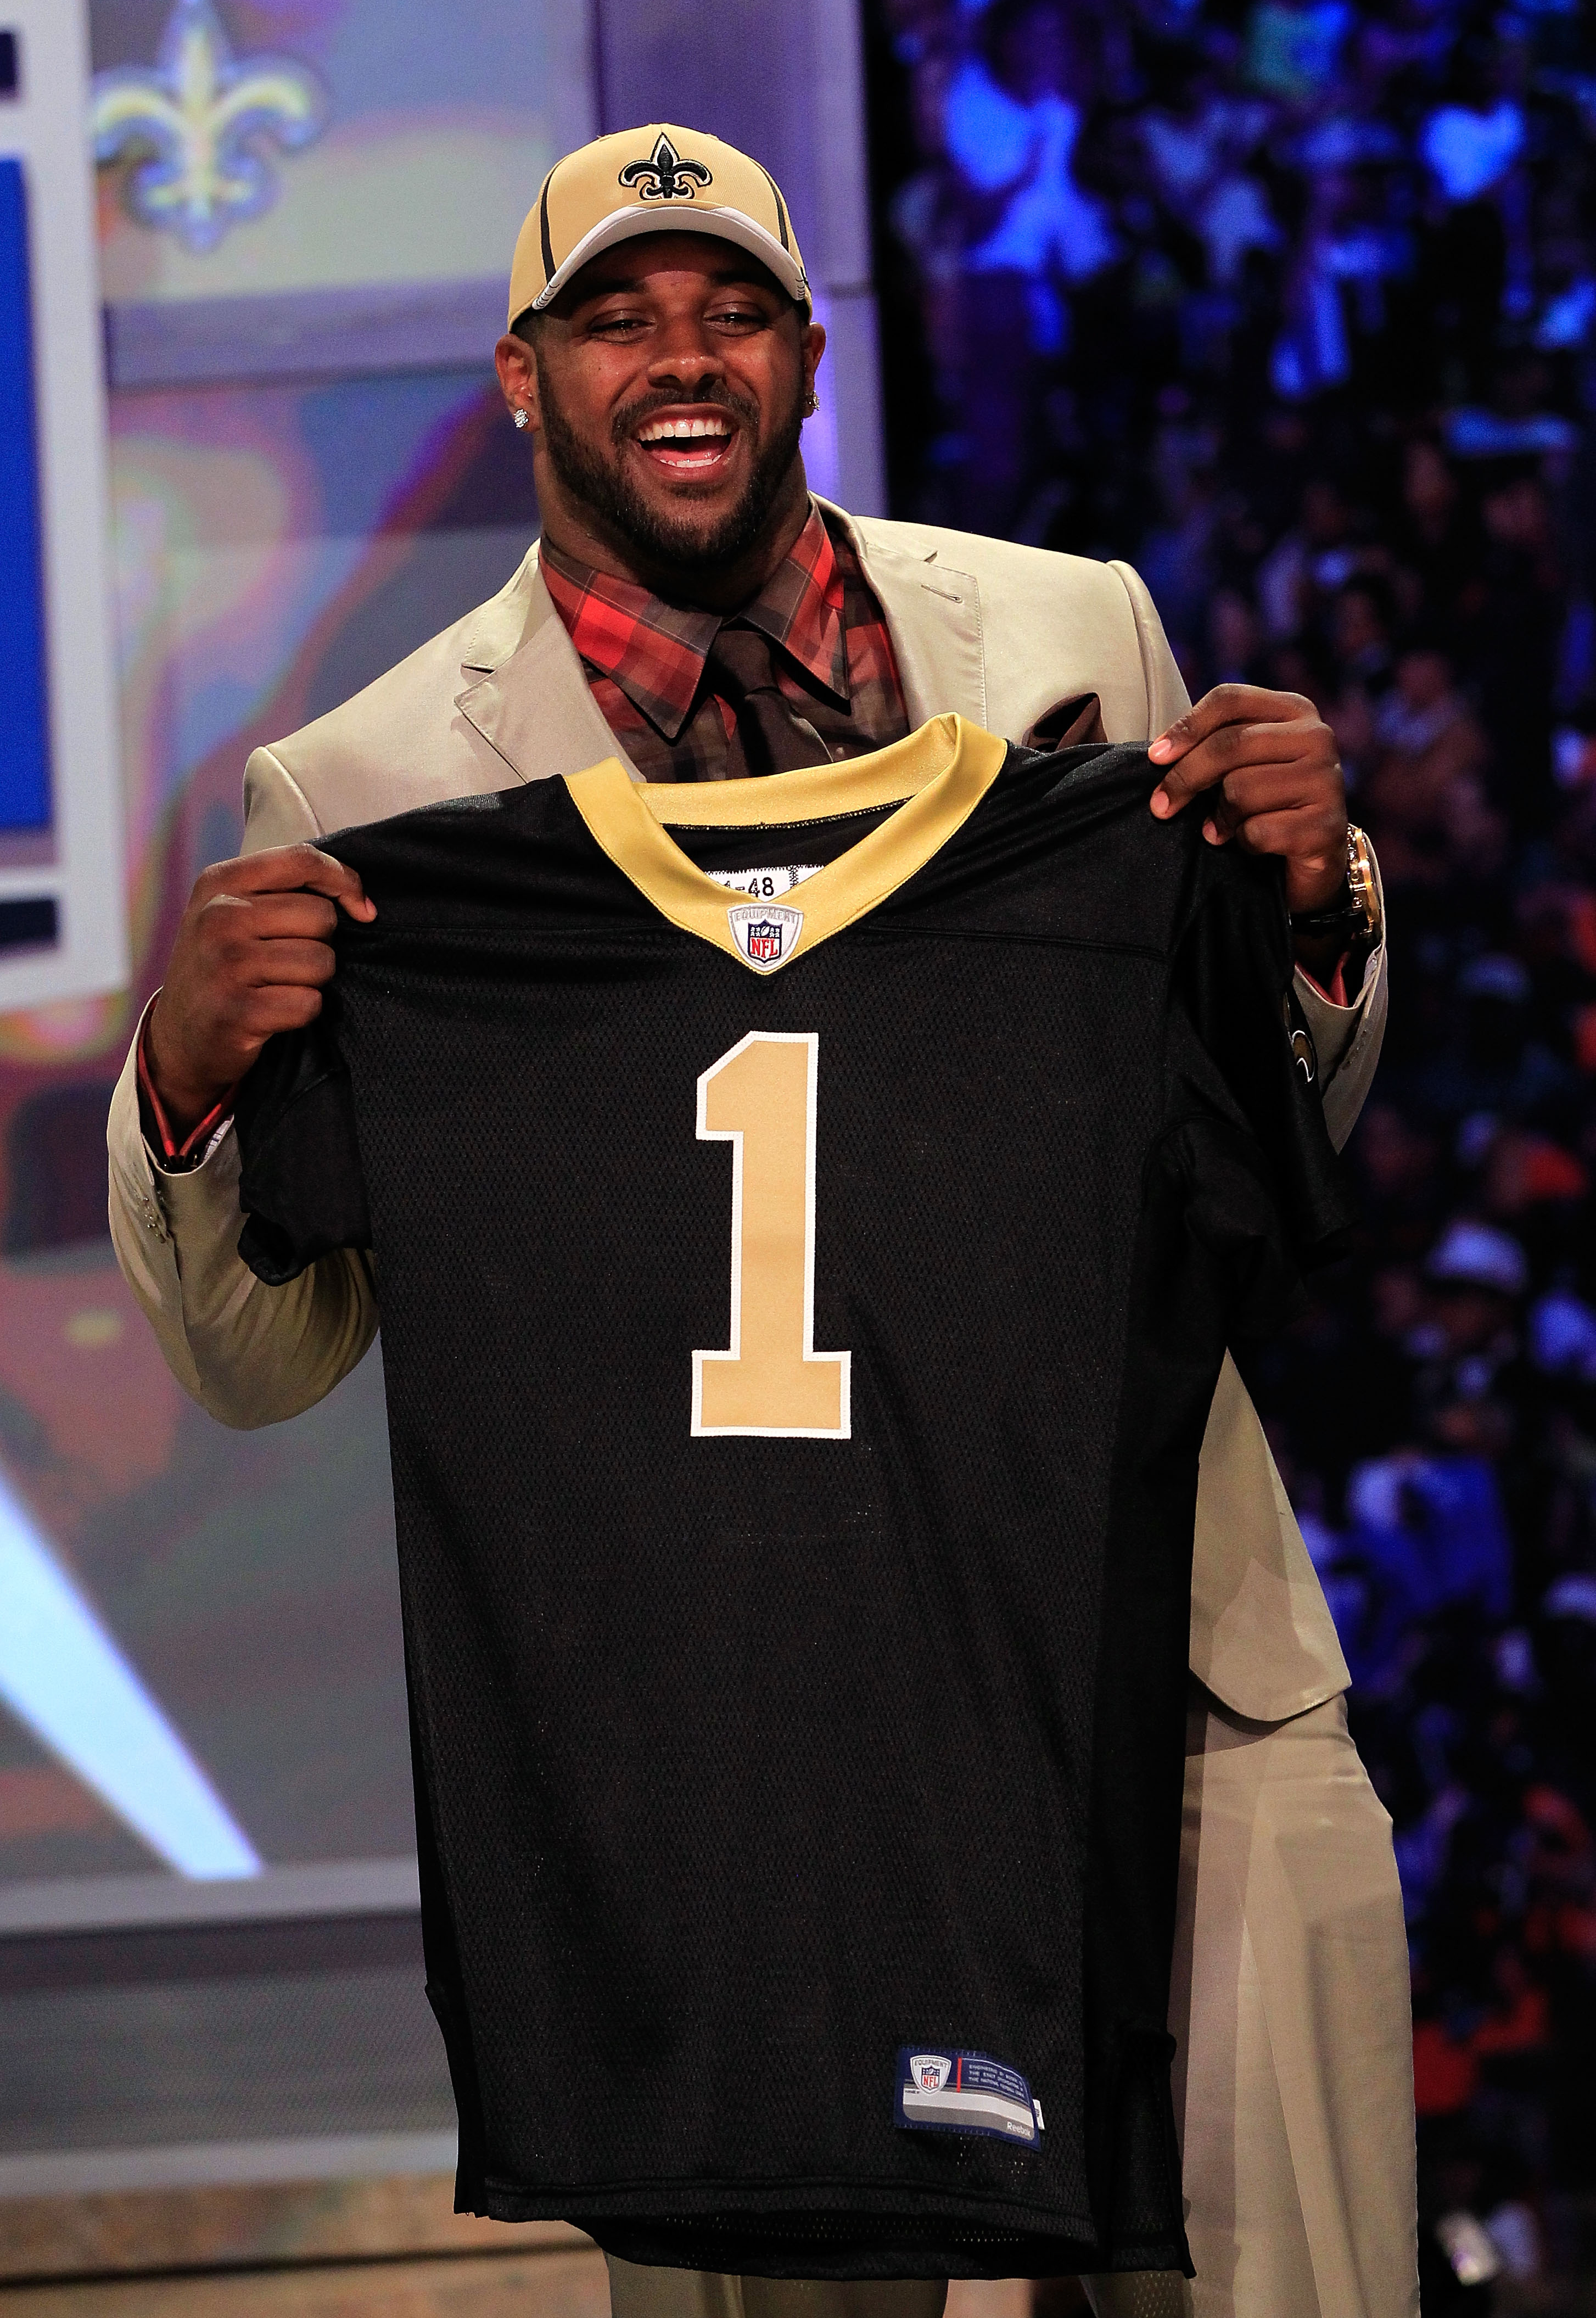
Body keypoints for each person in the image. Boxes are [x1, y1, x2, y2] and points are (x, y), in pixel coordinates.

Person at [108, 125, 1415, 2318]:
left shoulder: (1068, 626)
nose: (677, 356)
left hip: (1159, 1683)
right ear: (524, 375)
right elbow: (262, 1361)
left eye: (727, 310)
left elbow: (1255, 1158)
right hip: (718, 1797)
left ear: (810, 353)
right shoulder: (363, 792)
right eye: (616, 317)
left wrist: (1311, 924)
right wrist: (181, 1081)